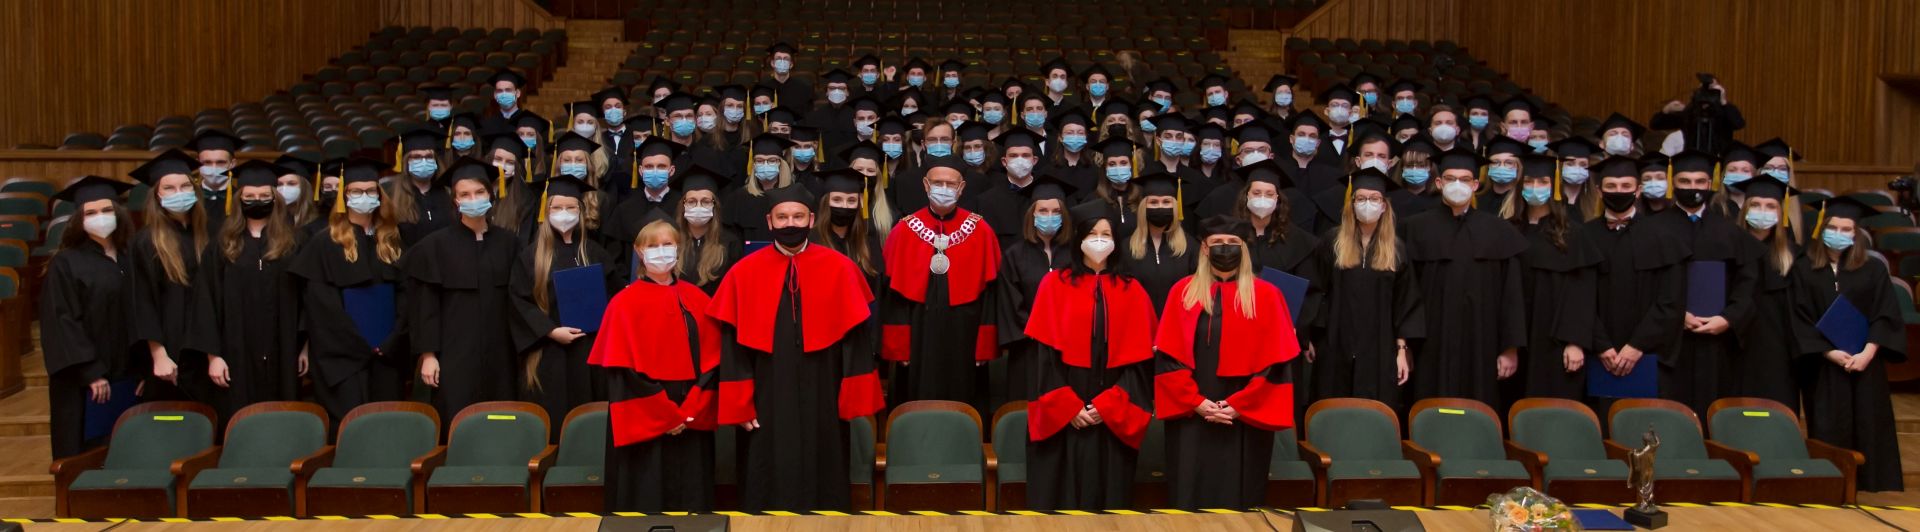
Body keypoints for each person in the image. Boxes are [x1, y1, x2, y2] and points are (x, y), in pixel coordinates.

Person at [711, 184, 883, 512]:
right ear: (769, 221)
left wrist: (855, 397)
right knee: (764, 471)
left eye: (798, 216)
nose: (790, 223)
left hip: (825, 389)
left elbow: (857, 340)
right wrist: (740, 404)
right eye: (782, 217)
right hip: (765, 392)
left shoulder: (840, 267)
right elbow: (732, 346)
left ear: (812, 219)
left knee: (826, 467)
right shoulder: (744, 272)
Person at [1154, 215, 1300, 509]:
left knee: (1241, 497)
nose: (1225, 247)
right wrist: (1196, 402)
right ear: (1204, 248)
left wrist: (1240, 406)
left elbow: (1276, 364)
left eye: (1232, 242)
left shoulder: (1267, 295)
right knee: (1189, 492)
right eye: (1217, 242)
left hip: (1245, 418)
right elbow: (1168, 357)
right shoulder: (1182, 292)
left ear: (1243, 248)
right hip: (1192, 416)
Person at [1024, 215, 1157, 511]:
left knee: (1108, 501)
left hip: (1111, 414)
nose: (1099, 240)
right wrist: (1067, 407)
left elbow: (1140, 365)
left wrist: (1109, 406)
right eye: (1092, 233)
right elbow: (1042, 358)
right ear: (1079, 239)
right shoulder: (1054, 283)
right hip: (1063, 413)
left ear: (1115, 242)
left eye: (1106, 234)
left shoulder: (1132, 289)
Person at [591, 219, 721, 512]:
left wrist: (689, 410)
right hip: (645, 417)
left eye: (667, 244)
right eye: (653, 246)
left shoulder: (698, 298)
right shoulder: (623, 304)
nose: (661, 251)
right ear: (639, 251)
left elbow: (713, 362)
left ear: (679, 248)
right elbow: (623, 372)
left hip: (691, 415)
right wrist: (666, 416)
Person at [1792, 196, 1905, 493]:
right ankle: (1829, 481)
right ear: (1822, 229)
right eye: (1833, 228)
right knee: (1828, 421)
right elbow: (1798, 316)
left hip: (1865, 363)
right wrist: (1829, 352)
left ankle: (1870, 481)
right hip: (1824, 365)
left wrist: (1868, 352)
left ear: (1856, 234)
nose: (1839, 234)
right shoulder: (1804, 269)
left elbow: (1885, 314)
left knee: (1869, 419)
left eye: (1846, 229)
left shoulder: (1873, 269)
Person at [1401, 148, 1526, 406]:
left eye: (1465, 179)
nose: (1457, 184)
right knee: (1429, 404)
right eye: (1450, 178)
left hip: (1482, 340)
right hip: (1430, 341)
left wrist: (1510, 347)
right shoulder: (1415, 228)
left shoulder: (1499, 231)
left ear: (1475, 185)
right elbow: (1406, 292)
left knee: (1479, 405)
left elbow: (1511, 296)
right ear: (1439, 183)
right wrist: (1406, 345)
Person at [288, 159, 410, 421]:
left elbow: (406, 295)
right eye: (356, 191)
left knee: (388, 422)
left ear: (380, 194)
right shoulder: (325, 243)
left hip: (387, 355)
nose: (364, 197)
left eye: (370, 190)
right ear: (344, 196)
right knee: (350, 424)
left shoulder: (392, 239)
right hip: (343, 360)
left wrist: (391, 341)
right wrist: (360, 346)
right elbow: (322, 307)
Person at [187, 160, 308, 419]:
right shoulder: (221, 245)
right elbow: (206, 301)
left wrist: (305, 347)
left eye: (264, 196)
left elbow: (307, 299)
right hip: (235, 350)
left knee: (282, 414)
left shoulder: (295, 242)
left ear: (275, 199)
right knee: (239, 414)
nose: (257, 201)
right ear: (239, 199)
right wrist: (213, 356)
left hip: (284, 349)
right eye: (249, 197)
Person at [407, 157, 522, 421]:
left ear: (491, 194)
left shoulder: (509, 243)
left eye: (479, 192)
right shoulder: (435, 246)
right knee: (458, 417)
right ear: (455, 200)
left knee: (500, 416)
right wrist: (428, 355)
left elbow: (519, 301)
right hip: (454, 353)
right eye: (465, 194)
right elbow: (426, 305)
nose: (473, 199)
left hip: (501, 353)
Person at [1649, 149, 1761, 417]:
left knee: (1713, 412)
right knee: (1668, 414)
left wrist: (1728, 318)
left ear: (1710, 184)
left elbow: (1746, 284)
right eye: (1685, 181)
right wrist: (1676, 315)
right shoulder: (1650, 229)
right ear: (1673, 183)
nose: (1693, 188)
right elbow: (1643, 285)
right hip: (1667, 341)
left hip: (1717, 342)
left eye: (1700, 181)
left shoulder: (1729, 230)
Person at [881, 164, 1002, 405]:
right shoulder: (904, 230)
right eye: (938, 183)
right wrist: (899, 347)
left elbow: (991, 296)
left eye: (951, 184)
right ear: (926, 185)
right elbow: (893, 297)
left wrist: (984, 346)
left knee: (966, 396)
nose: (944, 189)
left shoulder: (981, 230)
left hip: (965, 333)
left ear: (962, 188)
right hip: (918, 333)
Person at [1302, 170, 1422, 413]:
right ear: (1352, 204)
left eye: (1374, 198)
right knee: (1332, 405)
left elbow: (1405, 302)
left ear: (1384, 206)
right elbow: (1315, 289)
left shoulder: (1396, 249)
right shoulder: (1332, 242)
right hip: (1335, 341)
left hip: (1379, 346)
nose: (1368, 204)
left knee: (1374, 409)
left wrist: (1401, 350)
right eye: (1361, 198)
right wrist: (1311, 337)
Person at [510, 175, 617, 435]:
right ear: (546, 211)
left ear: (580, 211)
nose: (564, 213)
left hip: (590, 351)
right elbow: (518, 302)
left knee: (589, 419)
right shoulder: (531, 256)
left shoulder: (595, 252)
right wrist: (550, 330)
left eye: (571, 207)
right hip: (549, 353)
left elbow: (614, 298)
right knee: (555, 417)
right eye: (557, 208)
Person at [41, 176, 137, 459]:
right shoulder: (66, 263)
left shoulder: (131, 256)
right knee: (88, 450)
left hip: (129, 374)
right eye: (91, 213)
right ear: (78, 220)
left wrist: (144, 368)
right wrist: (91, 372)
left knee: (128, 445)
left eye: (106, 210)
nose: (100, 217)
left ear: (118, 213)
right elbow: (62, 321)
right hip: (86, 380)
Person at [1583, 156, 1688, 412]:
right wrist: (1601, 345)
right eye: (1611, 186)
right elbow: (1577, 297)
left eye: (1626, 186)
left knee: (1643, 424)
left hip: (1648, 355)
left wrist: (1637, 346)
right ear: (1599, 191)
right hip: (1595, 354)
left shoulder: (1663, 237)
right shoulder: (1583, 236)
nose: (1619, 192)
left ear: (1638, 190)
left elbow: (1671, 300)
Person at [1507, 154, 1602, 402]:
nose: (1535, 187)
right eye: (1529, 181)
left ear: (1555, 187)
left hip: (1556, 340)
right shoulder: (1508, 230)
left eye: (1542, 182)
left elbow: (1582, 293)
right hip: (1517, 339)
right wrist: (1507, 343)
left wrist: (1575, 341)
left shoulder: (1573, 233)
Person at [127, 149, 214, 403]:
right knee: (174, 415)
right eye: (169, 188)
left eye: (185, 186)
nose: (179, 193)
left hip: (206, 344)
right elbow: (142, 301)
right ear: (157, 195)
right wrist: (158, 354)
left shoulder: (209, 234)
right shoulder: (146, 242)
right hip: (170, 348)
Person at [996, 175, 1078, 407]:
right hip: (1028, 348)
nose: (1049, 216)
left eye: (1056, 211)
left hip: (1069, 346)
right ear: (1032, 214)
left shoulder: (1077, 255)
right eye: (1043, 210)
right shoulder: (1014, 255)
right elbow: (1010, 302)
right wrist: (1038, 329)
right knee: (1027, 409)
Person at [1729, 179, 1801, 408]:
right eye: (1755, 205)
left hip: (1777, 350)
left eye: (1770, 206)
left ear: (1780, 212)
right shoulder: (1727, 248)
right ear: (1745, 209)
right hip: (1733, 344)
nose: (1763, 211)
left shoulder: (1794, 256)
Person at [1110, 172, 1195, 314]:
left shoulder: (1190, 247)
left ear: (1175, 207)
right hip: (1140, 321)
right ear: (1143, 207)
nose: (1160, 207)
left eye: (1166, 202)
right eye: (1153, 202)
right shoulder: (1126, 248)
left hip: (1177, 322)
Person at [669, 165, 745, 294]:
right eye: (691, 201)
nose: (698, 206)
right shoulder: (671, 242)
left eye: (705, 201)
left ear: (714, 206)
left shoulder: (730, 244)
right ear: (683, 206)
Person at [811, 167, 886, 291]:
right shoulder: (811, 241)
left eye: (851, 201)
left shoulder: (869, 241)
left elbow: (877, 288)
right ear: (825, 203)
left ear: (858, 204)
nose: (844, 206)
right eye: (837, 200)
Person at [723, 133, 798, 242]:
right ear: (753, 164)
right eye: (759, 161)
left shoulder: (794, 197)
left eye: (772, 160)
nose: (765, 164)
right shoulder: (738, 198)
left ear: (780, 163)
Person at [388, 128, 456, 245]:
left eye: (429, 156)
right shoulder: (394, 198)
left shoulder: (448, 193)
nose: (424, 161)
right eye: (417, 157)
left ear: (436, 161)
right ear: (406, 161)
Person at [187, 130, 241, 229]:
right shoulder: (188, 199)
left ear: (232, 164)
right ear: (198, 164)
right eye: (207, 162)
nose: (213, 168)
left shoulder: (241, 199)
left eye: (220, 162)